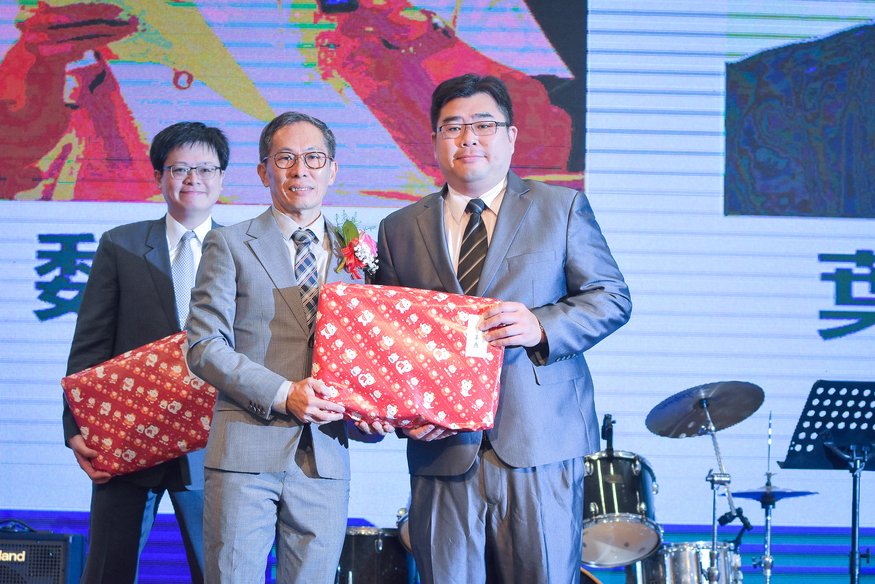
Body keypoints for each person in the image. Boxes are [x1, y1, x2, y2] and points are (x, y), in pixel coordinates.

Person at [375, 73, 632, 583]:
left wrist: (540, 325)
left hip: (540, 441)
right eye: (453, 127)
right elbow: (390, 339)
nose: (468, 138)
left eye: (484, 125)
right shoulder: (399, 228)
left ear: (511, 136)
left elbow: (611, 298)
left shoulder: (560, 207)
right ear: (435, 141)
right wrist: (405, 412)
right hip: (442, 448)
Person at [185, 111, 390, 584]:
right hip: (245, 455)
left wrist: (375, 411)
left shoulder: (358, 253)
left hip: (325, 456)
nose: (301, 170)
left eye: (314, 158)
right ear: (264, 171)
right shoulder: (229, 243)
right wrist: (284, 394)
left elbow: (372, 353)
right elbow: (204, 346)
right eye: (286, 159)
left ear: (332, 170)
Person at [63, 121, 230, 583]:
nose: (193, 179)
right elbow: (90, 342)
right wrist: (75, 426)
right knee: (107, 571)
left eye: (205, 168)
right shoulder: (122, 244)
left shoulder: (243, 248)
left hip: (214, 442)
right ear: (160, 176)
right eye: (180, 168)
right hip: (127, 436)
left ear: (222, 178)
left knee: (223, 573)